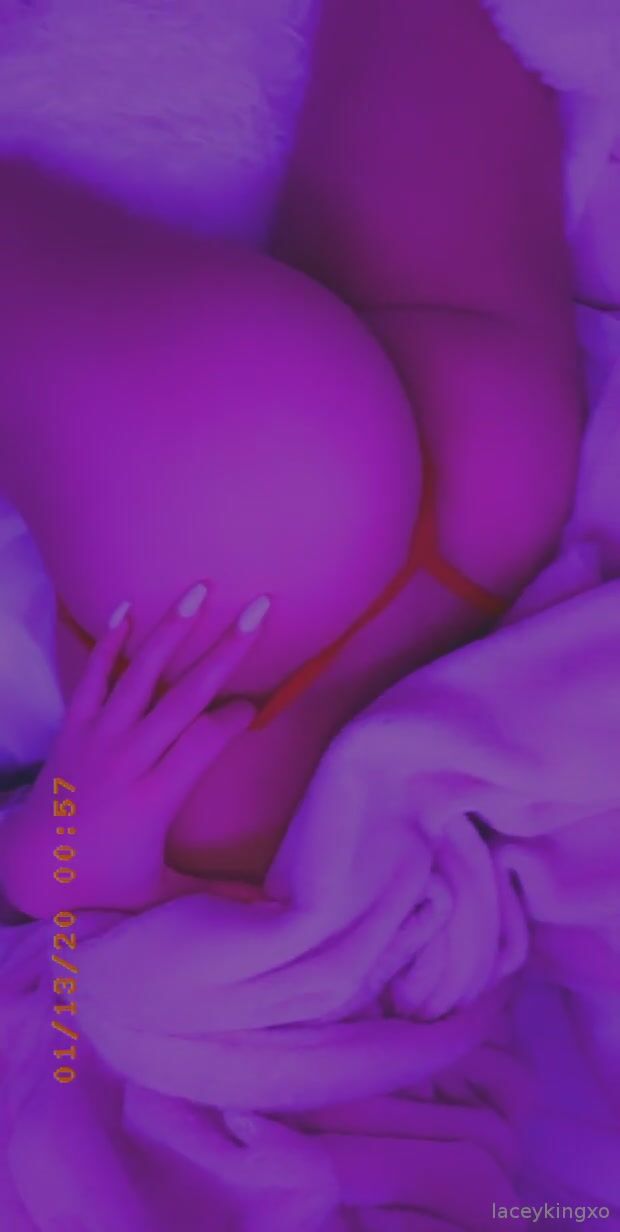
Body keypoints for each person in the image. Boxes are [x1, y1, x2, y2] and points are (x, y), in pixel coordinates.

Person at [0, 0, 582, 918]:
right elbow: (66, 1003)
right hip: (231, 564)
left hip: (476, 536)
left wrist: (58, 868)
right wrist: (56, 876)